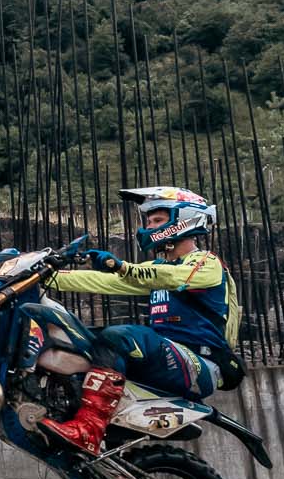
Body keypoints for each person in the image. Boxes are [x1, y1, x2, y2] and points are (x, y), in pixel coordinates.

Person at [37, 185, 243, 453]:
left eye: (157, 220)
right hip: (166, 357)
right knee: (83, 338)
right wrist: (42, 276)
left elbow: (168, 277)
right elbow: (108, 281)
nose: (148, 226)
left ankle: (88, 429)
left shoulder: (206, 263)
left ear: (184, 220)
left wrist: (121, 266)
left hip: (200, 363)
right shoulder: (159, 268)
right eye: (147, 220)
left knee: (118, 336)